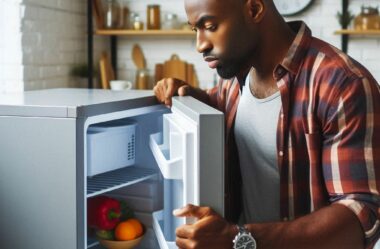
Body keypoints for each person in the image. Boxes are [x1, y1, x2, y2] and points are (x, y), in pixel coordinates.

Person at [153, 0, 380, 248]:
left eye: (210, 26)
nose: (201, 44)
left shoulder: (342, 85)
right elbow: (220, 107)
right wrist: (187, 95)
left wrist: (239, 238)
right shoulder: (235, 78)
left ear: (254, 10)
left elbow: (359, 216)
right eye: (195, 30)